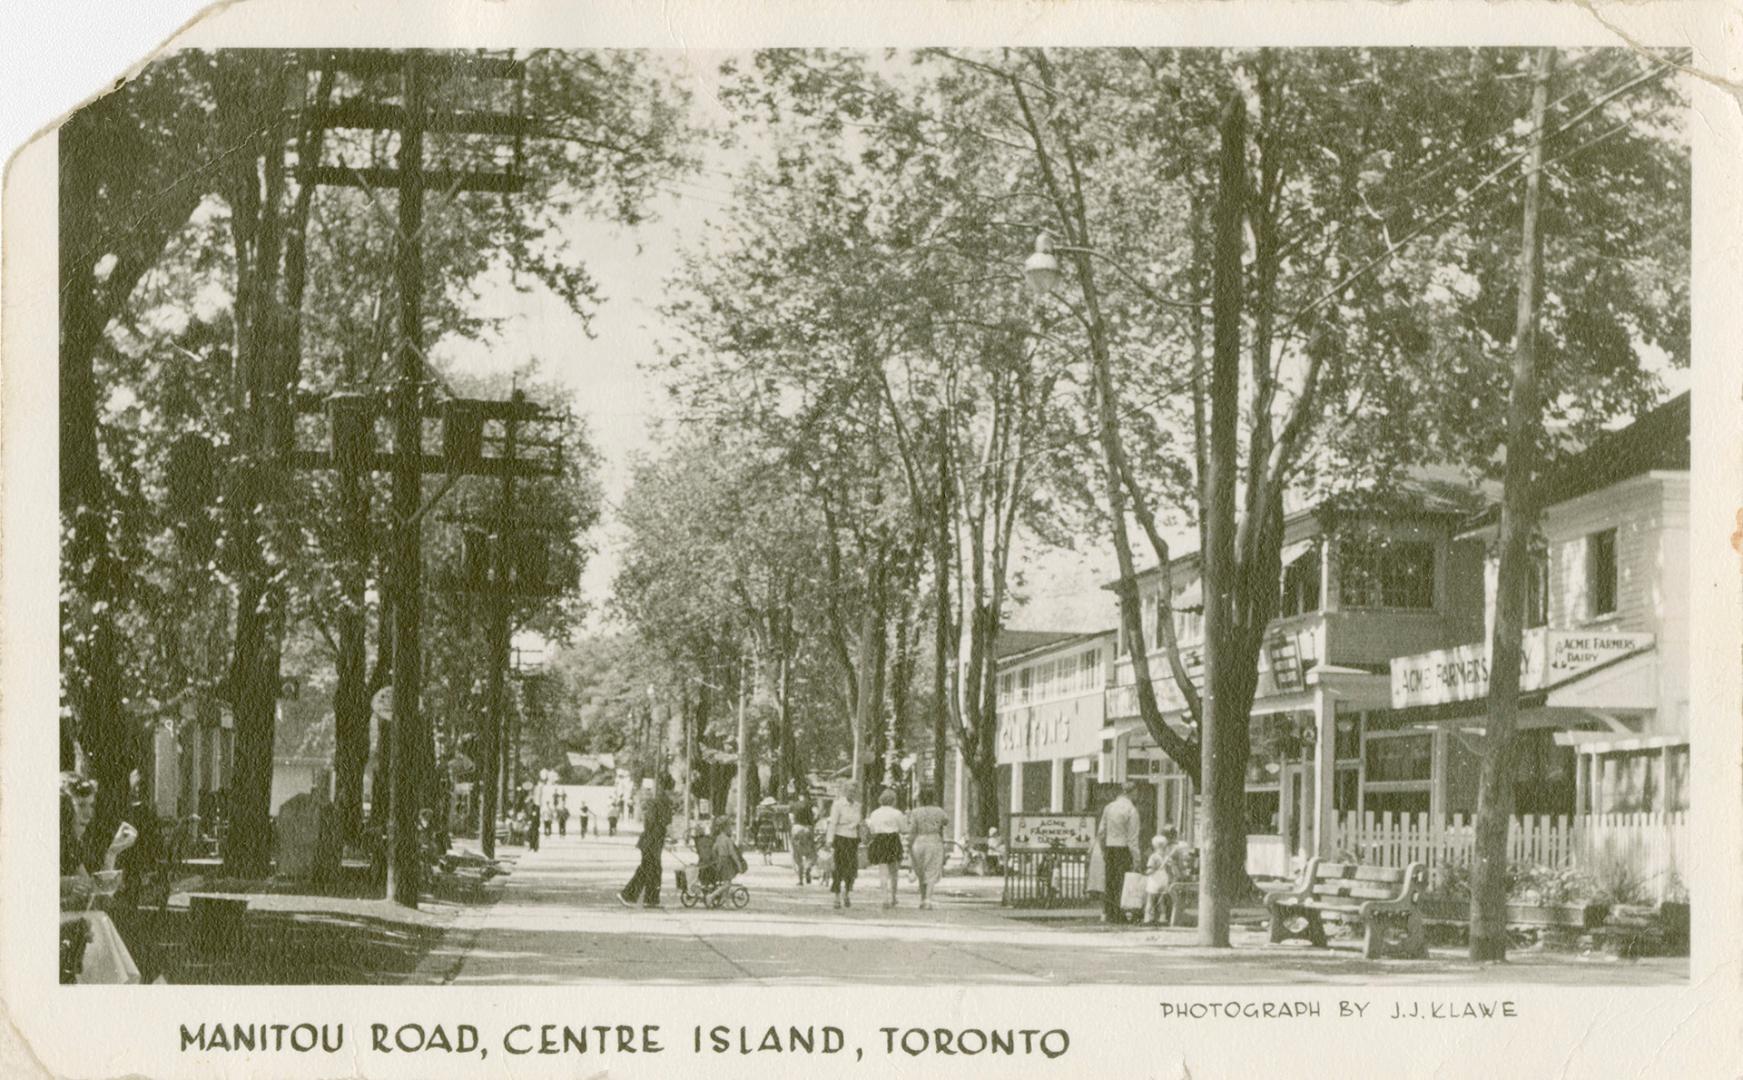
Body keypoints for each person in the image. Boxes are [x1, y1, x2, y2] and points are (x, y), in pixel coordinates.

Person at [619, 776, 674, 909]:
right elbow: (656, 822)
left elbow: (654, 822)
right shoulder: (662, 802)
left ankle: (649, 900)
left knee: (652, 869)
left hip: (651, 840)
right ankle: (630, 895)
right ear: (669, 789)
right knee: (649, 869)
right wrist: (659, 833)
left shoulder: (659, 801)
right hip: (652, 841)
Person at [1096, 779, 1143, 924]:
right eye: (1136, 792)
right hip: (1124, 849)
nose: (1137, 795)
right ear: (1132, 792)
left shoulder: (1109, 807)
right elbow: (1132, 838)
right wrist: (1137, 858)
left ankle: (1109, 912)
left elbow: (1101, 832)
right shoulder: (1131, 810)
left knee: (1110, 881)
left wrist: (1103, 849)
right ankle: (1120, 914)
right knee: (1122, 882)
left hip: (1110, 848)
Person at [906, 788, 950, 910]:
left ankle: (922, 898)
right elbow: (946, 821)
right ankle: (928, 900)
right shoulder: (939, 811)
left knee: (920, 871)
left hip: (919, 841)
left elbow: (912, 829)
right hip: (934, 840)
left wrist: (909, 842)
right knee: (931, 870)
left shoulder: (915, 812)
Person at [864, 788, 907, 909]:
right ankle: (893, 896)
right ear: (894, 800)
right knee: (894, 871)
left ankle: (884, 898)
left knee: (883, 871)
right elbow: (903, 830)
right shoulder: (897, 813)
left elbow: (872, 829)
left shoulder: (875, 813)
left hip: (880, 840)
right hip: (893, 840)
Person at [823, 785, 863, 910]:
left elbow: (859, 823)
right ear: (845, 791)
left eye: (854, 791)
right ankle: (836, 896)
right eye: (849, 790)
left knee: (852, 867)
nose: (852, 793)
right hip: (840, 837)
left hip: (853, 839)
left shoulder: (858, 805)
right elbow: (833, 822)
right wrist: (829, 840)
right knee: (839, 867)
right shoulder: (838, 805)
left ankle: (847, 892)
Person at [1144, 828, 1191, 926]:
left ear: (1154, 845)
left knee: (1150, 900)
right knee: (1162, 901)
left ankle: (1148, 918)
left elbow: (1150, 870)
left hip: (1154, 881)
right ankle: (1163, 917)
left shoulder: (1153, 856)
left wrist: (1146, 872)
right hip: (1164, 880)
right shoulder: (1167, 856)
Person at [699, 818, 748, 902]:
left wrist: (716, 858)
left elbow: (714, 849)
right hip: (726, 862)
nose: (731, 830)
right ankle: (711, 896)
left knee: (726, 882)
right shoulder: (728, 840)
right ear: (725, 828)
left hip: (720, 861)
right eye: (730, 827)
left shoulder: (718, 838)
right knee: (727, 884)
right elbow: (733, 853)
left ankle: (725, 900)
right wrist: (739, 864)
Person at [789, 796, 817, 885]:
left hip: (797, 829)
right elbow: (817, 813)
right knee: (811, 853)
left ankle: (800, 880)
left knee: (797, 855)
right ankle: (808, 867)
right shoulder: (811, 804)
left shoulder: (793, 805)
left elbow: (791, 817)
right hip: (808, 829)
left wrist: (793, 825)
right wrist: (813, 822)